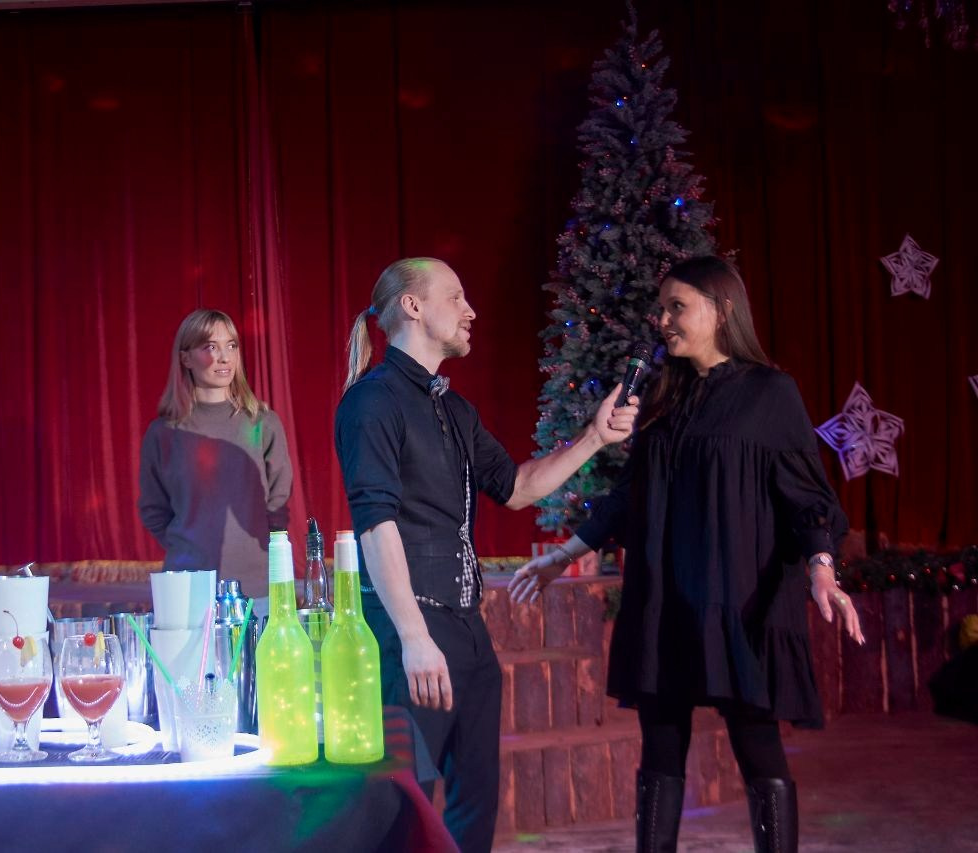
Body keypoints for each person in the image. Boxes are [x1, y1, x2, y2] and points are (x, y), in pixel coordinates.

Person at [509, 256, 866, 853]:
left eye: (677, 307)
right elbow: (628, 499)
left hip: (739, 600)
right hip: (666, 600)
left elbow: (808, 498)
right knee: (661, 745)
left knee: (756, 740)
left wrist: (822, 570)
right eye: (662, 308)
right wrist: (562, 555)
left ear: (722, 310)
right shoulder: (661, 396)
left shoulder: (769, 392)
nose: (663, 320)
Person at [335, 258, 638, 853]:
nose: (470, 311)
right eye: (456, 296)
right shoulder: (372, 402)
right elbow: (376, 523)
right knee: (404, 806)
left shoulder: (454, 409)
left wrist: (595, 438)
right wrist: (415, 637)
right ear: (413, 307)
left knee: (475, 803)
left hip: (467, 631)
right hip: (407, 631)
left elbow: (519, 488)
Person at [138, 308, 293, 600]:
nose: (225, 357)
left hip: (258, 588)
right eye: (211, 347)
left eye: (231, 345)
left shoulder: (262, 423)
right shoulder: (163, 433)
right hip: (187, 588)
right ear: (186, 358)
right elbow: (153, 510)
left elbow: (278, 503)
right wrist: (189, 546)